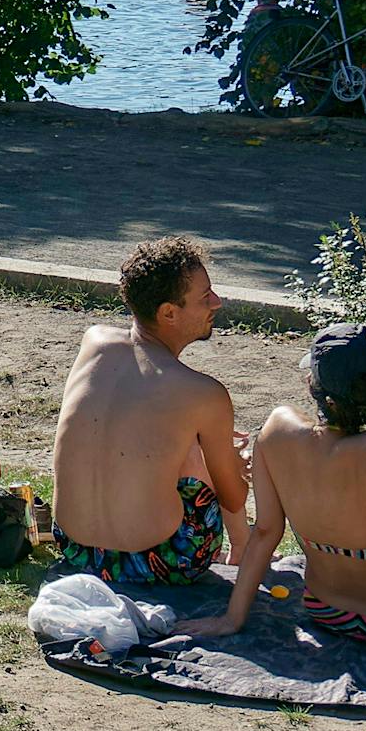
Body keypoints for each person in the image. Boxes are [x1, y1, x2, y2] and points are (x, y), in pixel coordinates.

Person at [185, 325, 366, 697]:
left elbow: (264, 533)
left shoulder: (278, 429)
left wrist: (232, 619)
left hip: (324, 610)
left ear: (313, 382)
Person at [49, 236, 251, 583]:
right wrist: (233, 463)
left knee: (184, 438)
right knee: (206, 451)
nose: (216, 303)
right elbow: (232, 497)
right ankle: (244, 547)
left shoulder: (95, 342)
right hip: (163, 562)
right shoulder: (204, 393)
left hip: (75, 549)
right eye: (205, 297)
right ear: (168, 312)